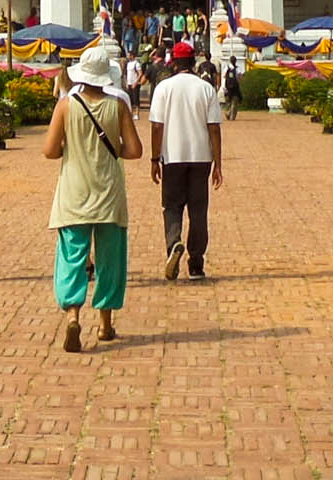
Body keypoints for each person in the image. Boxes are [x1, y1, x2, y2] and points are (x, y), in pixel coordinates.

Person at [43, 41, 142, 351]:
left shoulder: (66, 105)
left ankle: (73, 316)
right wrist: (112, 150)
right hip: (109, 193)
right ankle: (105, 324)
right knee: (110, 261)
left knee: (73, 258)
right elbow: (135, 150)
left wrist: (70, 147)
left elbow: (49, 150)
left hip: (74, 192)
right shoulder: (118, 106)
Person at [147, 40, 225, 280]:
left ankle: (174, 244)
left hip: (172, 156)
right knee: (198, 211)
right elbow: (214, 128)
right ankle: (196, 264)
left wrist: (154, 158)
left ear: (173, 63)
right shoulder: (205, 88)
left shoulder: (163, 88)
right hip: (201, 157)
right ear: (193, 62)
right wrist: (218, 163)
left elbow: (157, 126)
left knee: (172, 207)